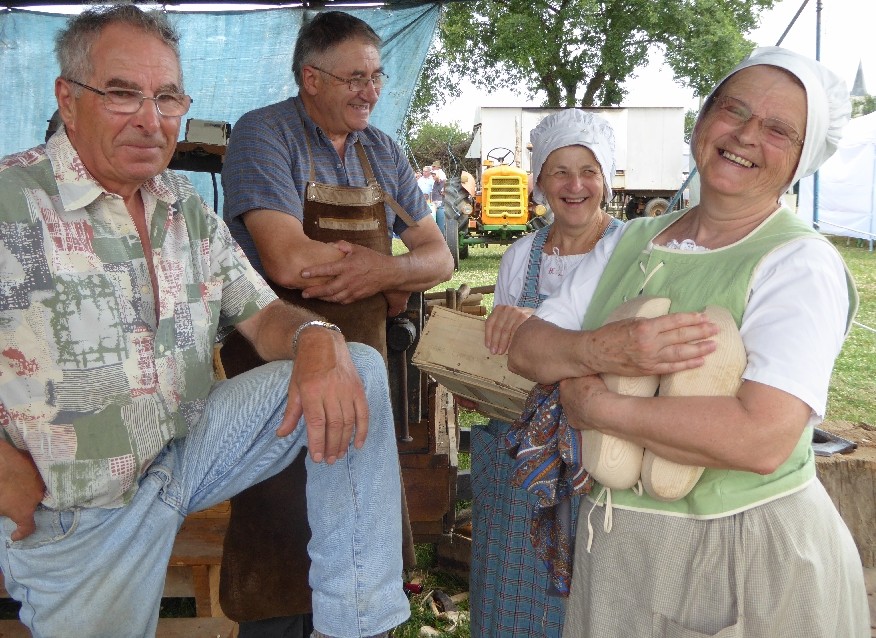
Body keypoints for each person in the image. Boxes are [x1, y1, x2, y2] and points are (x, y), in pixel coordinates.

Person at [0, 5, 410, 638]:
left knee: (356, 365)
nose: (150, 119)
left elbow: (266, 314)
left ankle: (356, 624)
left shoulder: (182, 207)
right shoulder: (11, 203)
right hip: (76, 508)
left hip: (184, 457)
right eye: (122, 94)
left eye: (167, 97)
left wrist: (317, 337)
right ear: (69, 98)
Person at [509, 47, 869, 637]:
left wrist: (600, 406)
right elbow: (528, 347)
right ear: (702, 123)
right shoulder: (630, 241)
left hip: (745, 554)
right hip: (622, 551)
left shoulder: (799, 262)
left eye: (778, 129)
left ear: (801, 158)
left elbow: (761, 436)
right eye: (735, 110)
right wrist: (606, 351)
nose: (747, 135)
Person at [219, 10, 453, 636]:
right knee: (281, 534)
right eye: (355, 77)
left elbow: (440, 256)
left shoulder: (382, 150)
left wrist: (381, 274)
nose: (371, 91)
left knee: (359, 531)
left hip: (366, 378)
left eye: (376, 76)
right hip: (281, 374)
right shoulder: (264, 134)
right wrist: (393, 273)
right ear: (310, 78)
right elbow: (287, 260)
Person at [467, 110, 623, 637]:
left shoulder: (630, 251)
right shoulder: (520, 257)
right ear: (540, 182)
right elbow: (507, 359)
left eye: (589, 171)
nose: (575, 185)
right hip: (524, 457)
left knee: (593, 596)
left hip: (603, 454)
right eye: (560, 171)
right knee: (513, 588)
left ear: (607, 178)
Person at [430, 160, 447, 233]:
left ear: (437, 167)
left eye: (434, 166)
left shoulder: (440, 174)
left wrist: (435, 177)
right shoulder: (437, 173)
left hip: (438, 200)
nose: (432, 167)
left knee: (438, 215)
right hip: (436, 199)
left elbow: (441, 181)